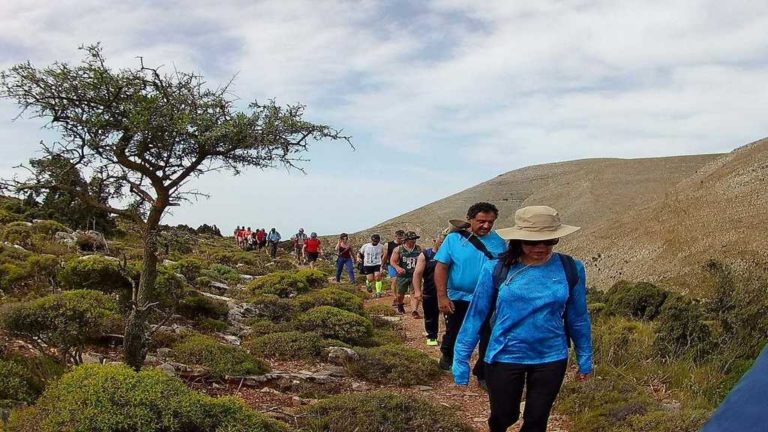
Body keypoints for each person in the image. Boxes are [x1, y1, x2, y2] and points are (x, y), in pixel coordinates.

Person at [453, 206, 593, 432]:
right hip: (504, 354)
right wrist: (461, 358)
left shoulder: (571, 268)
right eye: (533, 242)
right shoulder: (496, 269)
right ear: (518, 240)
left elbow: (578, 317)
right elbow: (476, 315)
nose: (541, 247)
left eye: (549, 241)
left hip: (551, 356)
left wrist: (585, 358)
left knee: (537, 420)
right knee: (504, 416)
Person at [435, 202, 507, 385]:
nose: (486, 225)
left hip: (488, 298)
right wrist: (442, 296)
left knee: (488, 334)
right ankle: (448, 356)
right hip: (458, 297)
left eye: (490, 222)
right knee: (455, 330)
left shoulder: (499, 242)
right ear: (470, 219)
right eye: (481, 221)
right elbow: (442, 267)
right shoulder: (453, 239)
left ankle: (482, 373)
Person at [412, 229, 448, 346]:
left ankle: (450, 338)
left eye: (446, 242)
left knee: (450, 316)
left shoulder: (452, 254)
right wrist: (417, 291)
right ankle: (431, 336)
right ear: (435, 240)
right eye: (441, 241)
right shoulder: (426, 255)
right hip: (430, 290)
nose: (443, 244)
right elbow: (417, 274)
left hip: (448, 291)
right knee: (431, 315)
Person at [389, 231, 422, 315]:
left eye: (415, 239)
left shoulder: (418, 249)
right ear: (406, 240)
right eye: (412, 239)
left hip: (415, 275)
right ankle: (400, 304)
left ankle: (414, 310)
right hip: (402, 276)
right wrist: (398, 268)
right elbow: (392, 261)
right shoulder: (398, 249)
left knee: (414, 293)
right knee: (400, 294)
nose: (414, 240)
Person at [383, 230, 405, 301]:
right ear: (395, 236)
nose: (400, 240)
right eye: (399, 238)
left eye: (402, 238)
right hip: (391, 264)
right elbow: (385, 256)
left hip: (402, 264)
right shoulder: (388, 244)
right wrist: (382, 265)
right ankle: (395, 297)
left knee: (402, 281)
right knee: (394, 280)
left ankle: (400, 295)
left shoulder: (404, 244)